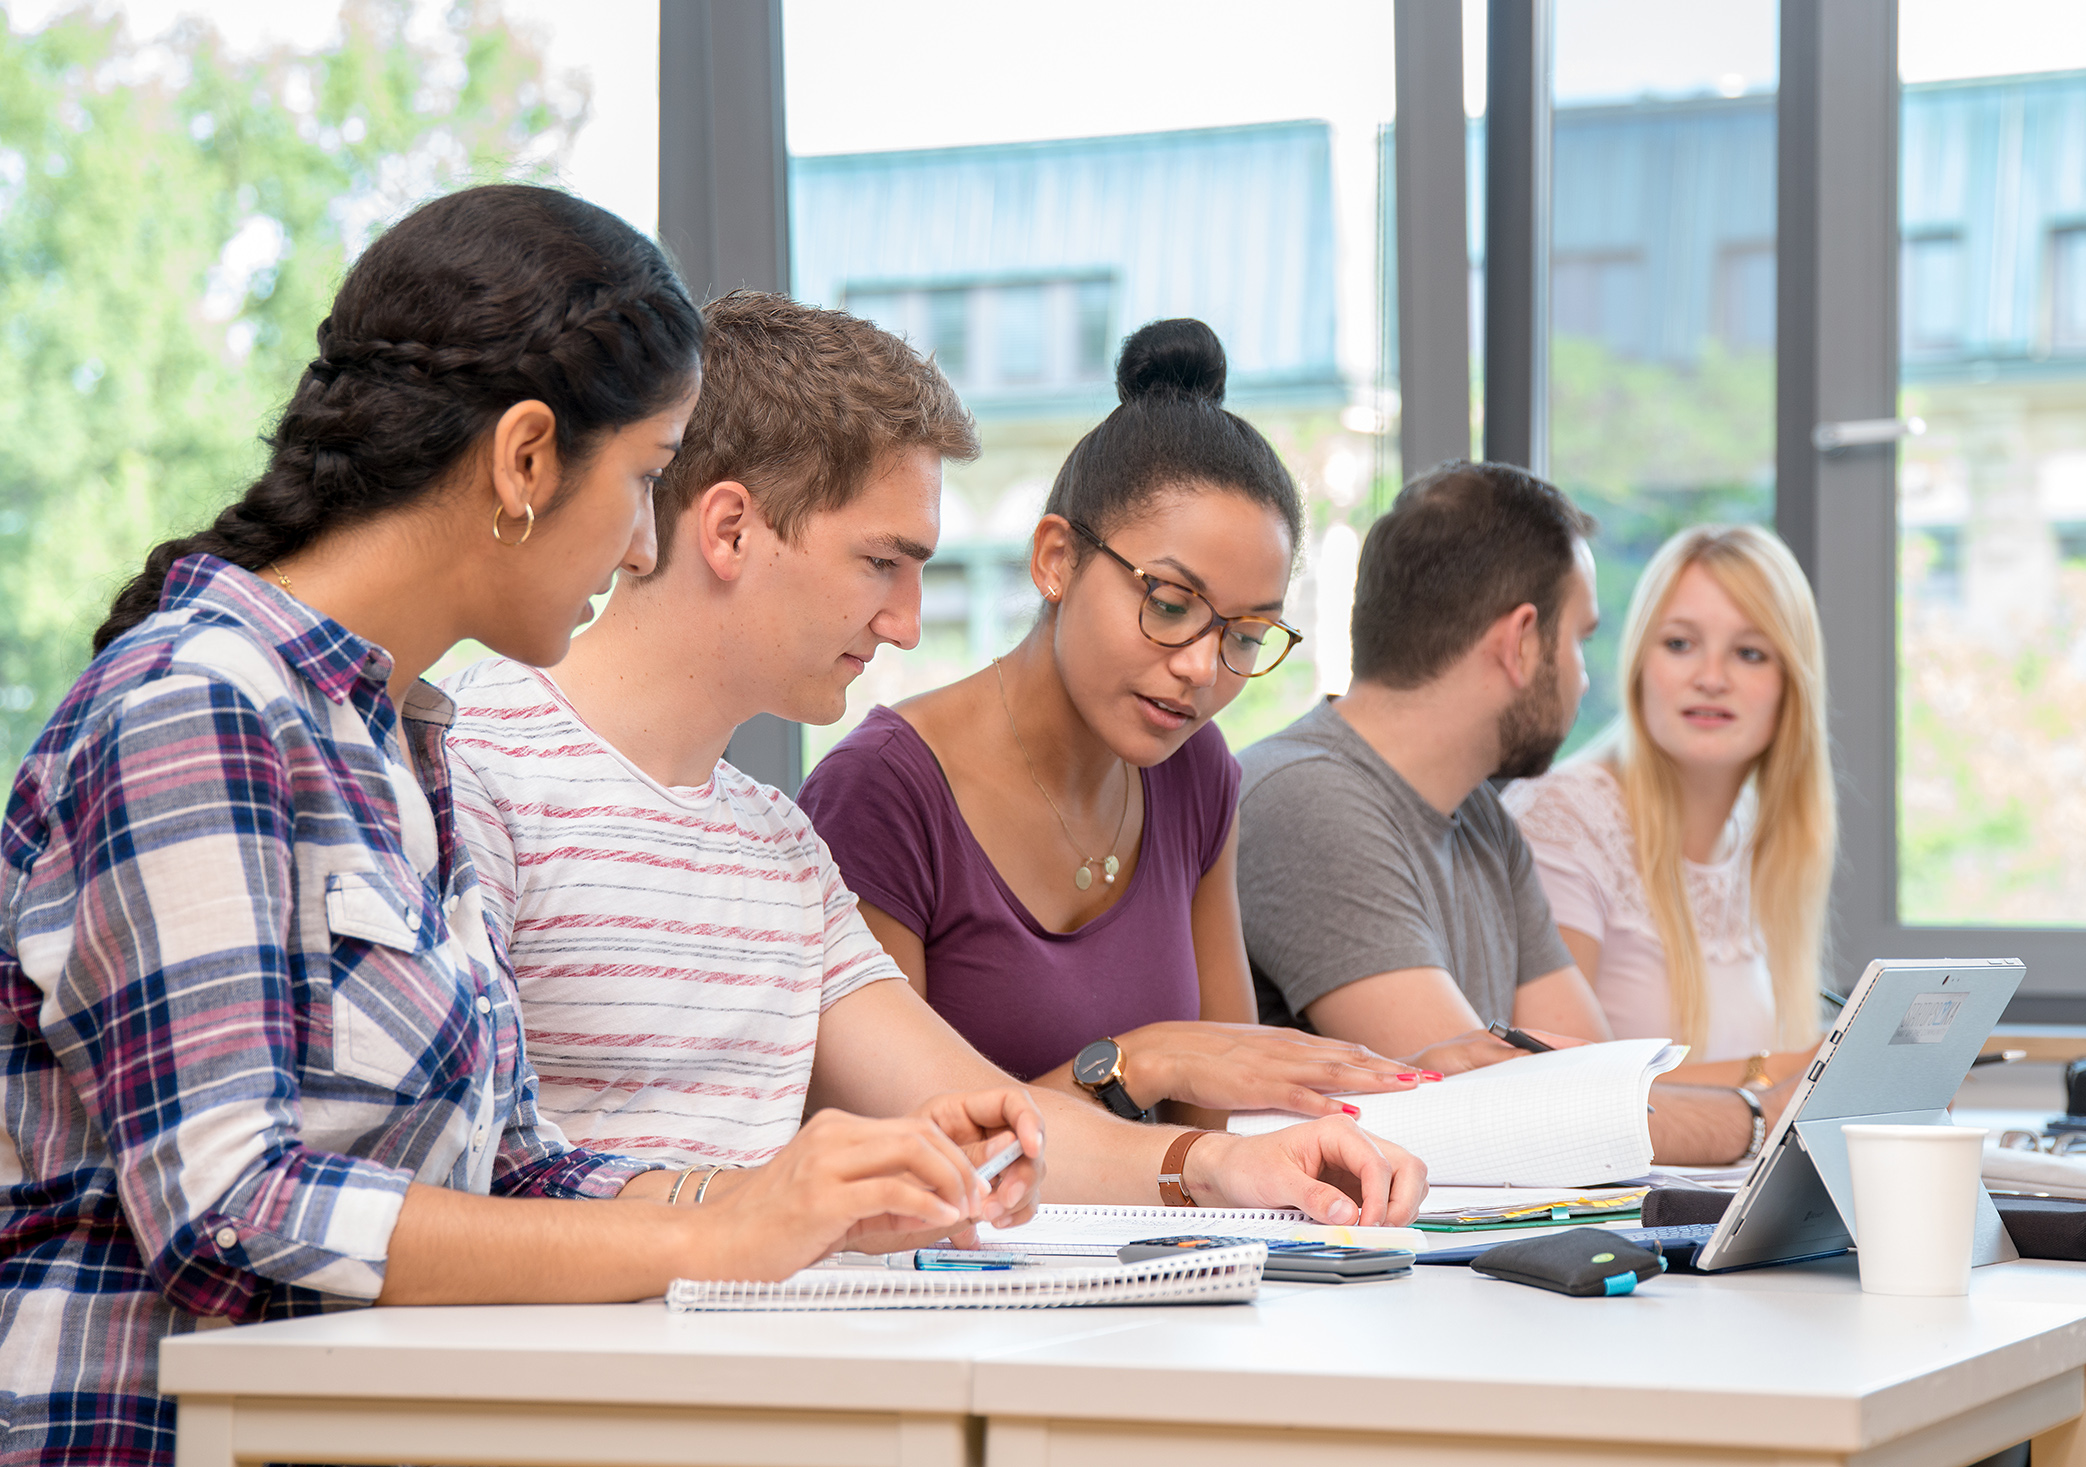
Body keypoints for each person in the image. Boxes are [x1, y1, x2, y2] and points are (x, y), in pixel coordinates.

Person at [0, 188, 1039, 1467]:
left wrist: (781, 1203)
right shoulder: (196, 707)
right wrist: (700, 1235)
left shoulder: (398, 739)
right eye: (648, 478)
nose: (646, 540)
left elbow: (512, 1169)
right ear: (526, 458)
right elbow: (231, 1212)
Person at [443, 296, 1425, 1219]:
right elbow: (411, 1203)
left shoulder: (780, 848)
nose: (908, 627)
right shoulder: (474, 773)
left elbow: (971, 1119)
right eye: (883, 562)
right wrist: (742, 1221)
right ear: (731, 529)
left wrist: (1213, 1164)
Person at [798, 317, 1425, 1124]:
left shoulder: (1196, 773)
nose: (1202, 667)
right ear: (1056, 559)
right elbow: (885, 1149)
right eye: (1168, 604)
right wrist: (1142, 1064)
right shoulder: (881, 792)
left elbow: (1221, 1107)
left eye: (1243, 635)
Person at [1236, 460, 1796, 1165]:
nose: (1587, 676)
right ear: (1521, 640)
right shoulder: (1305, 800)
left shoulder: (1481, 816)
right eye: (1580, 638)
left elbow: (1605, 1082)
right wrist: (1761, 1112)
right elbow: (1515, 1116)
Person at [1501, 524, 1834, 1070]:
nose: (1710, 678)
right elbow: (1562, 1085)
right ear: (1638, 666)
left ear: (1792, 684)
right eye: (1679, 644)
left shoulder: (1764, 833)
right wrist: (1790, 1073)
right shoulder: (1564, 817)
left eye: (1749, 653)